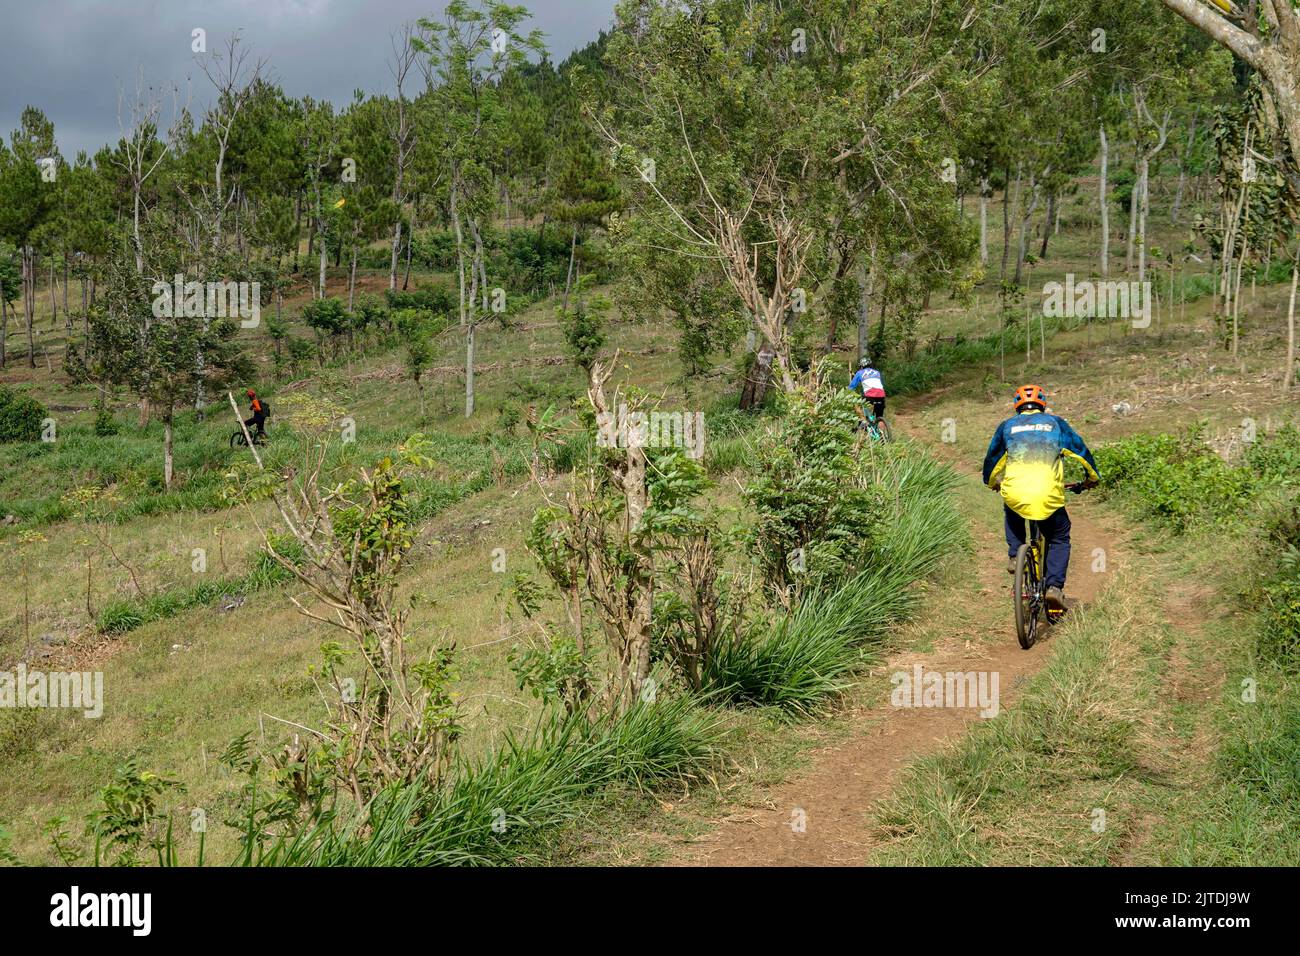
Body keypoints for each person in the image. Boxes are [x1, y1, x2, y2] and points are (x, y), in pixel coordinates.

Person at [981, 384, 1099, 612]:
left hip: (1016, 492)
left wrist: (991, 482)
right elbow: (1081, 452)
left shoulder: (1007, 427)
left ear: (1017, 407)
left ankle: (1015, 555)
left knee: (1012, 507)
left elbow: (992, 461)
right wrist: (1092, 478)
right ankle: (1054, 588)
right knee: (1059, 537)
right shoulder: (1056, 424)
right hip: (1048, 495)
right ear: (1042, 405)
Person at [848, 358, 887, 429]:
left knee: (856, 403)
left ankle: (863, 421)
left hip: (870, 396)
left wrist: (848, 393)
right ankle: (883, 437)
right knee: (879, 416)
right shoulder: (877, 372)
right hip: (881, 395)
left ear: (861, 366)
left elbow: (851, 387)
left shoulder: (859, 373)